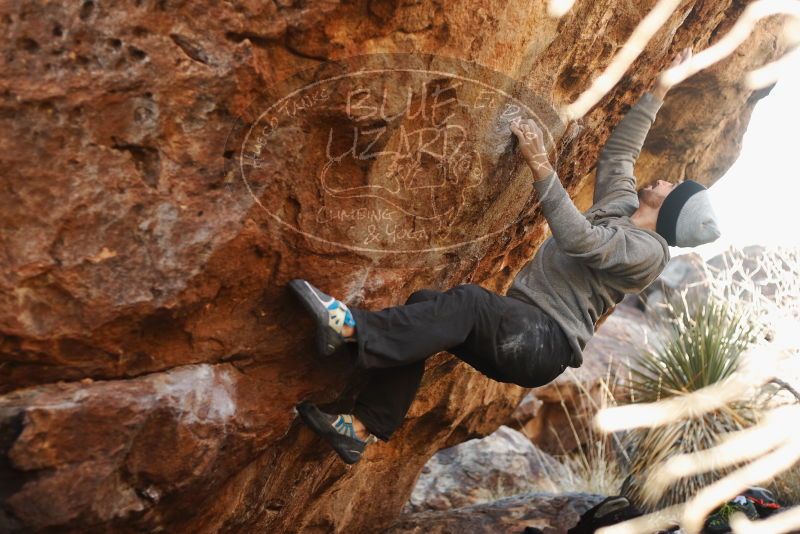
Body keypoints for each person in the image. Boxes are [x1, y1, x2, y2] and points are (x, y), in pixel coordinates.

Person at [290, 47, 721, 464]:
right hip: (523, 326)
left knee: (470, 303)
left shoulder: (649, 253)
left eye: (671, 187)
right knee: (426, 308)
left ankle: (348, 328)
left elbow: (581, 240)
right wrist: (661, 89)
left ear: (672, 209)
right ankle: (362, 427)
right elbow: (620, 153)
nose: (663, 179)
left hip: (543, 343)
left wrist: (540, 166)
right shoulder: (623, 207)